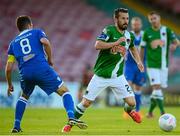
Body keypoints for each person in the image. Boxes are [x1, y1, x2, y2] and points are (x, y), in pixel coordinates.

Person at [62, 8, 144, 132]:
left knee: (132, 103)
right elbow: (97, 45)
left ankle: (129, 111)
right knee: (85, 103)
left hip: (118, 76)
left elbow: (132, 48)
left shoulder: (129, 35)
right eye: (123, 18)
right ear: (116, 19)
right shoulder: (109, 30)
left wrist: (138, 61)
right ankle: (69, 124)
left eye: (127, 18)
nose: (126, 21)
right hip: (101, 76)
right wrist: (115, 43)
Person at [5, 15, 87, 133]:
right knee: (65, 91)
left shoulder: (12, 44)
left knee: (23, 97)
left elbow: (8, 68)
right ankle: (71, 117)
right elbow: (46, 42)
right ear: (30, 25)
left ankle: (16, 126)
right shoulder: (36, 32)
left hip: (25, 73)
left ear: (19, 28)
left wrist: (9, 84)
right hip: (41, 68)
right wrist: (50, 59)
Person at [140, 11, 180, 118]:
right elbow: (142, 48)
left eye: (155, 18)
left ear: (159, 18)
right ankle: (163, 112)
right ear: (149, 20)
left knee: (157, 89)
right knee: (156, 87)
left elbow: (177, 41)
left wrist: (174, 46)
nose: (153, 20)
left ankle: (150, 113)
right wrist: (140, 61)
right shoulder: (146, 32)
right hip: (151, 64)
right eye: (151, 19)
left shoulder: (166, 30)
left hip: (163, 65)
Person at [124, 17, 146, 114]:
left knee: (138, 88)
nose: (136, 26)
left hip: (141, 64)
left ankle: (137, 110)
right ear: (131, 25)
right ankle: (128, 109)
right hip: (129, 65)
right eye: (134, 24)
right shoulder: (128, 35)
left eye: (137, 24)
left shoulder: (145, 36)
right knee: (127, 86)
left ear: (141, 25)